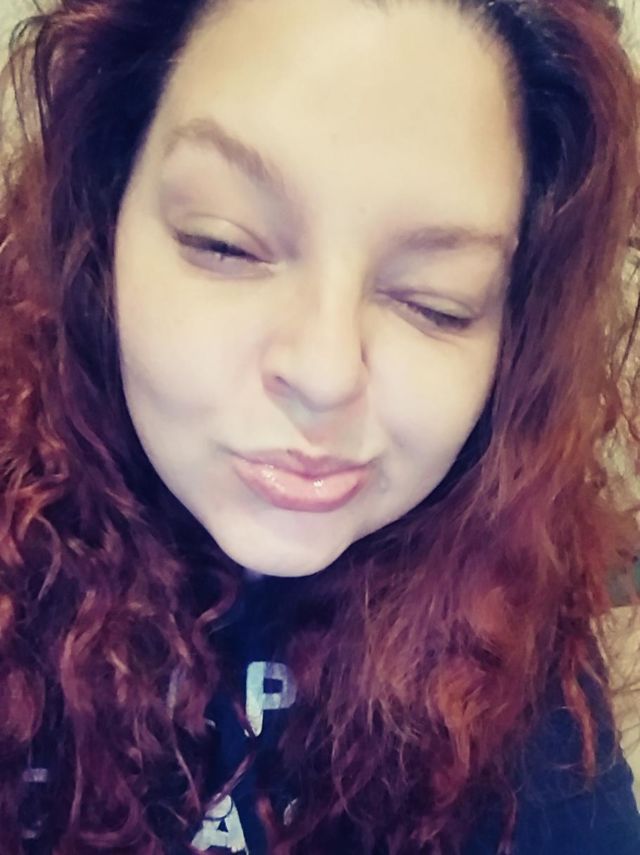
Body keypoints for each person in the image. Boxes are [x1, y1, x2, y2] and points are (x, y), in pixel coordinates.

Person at [0, 0, 639, 852]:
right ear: (104, 218)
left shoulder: (509, 623)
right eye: (225, 244)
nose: (325, 374)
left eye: (436, 302)